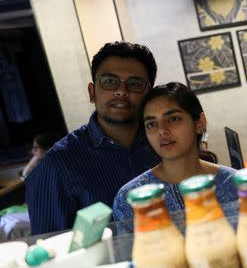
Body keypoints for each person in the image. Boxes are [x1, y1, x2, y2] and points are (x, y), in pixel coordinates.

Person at [25, 42, 161, 235]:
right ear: (92, 92)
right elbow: (51, 251)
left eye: (135, 84)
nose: (121, 91)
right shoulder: (56, 166)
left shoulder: (164, 144)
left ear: (149, 96)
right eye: (109, 81)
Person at [113, 82, 237, 220]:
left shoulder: (236, 185)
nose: (162, 130)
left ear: (199, 123)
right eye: (151, 124)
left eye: (173, 118)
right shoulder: (131, 199)